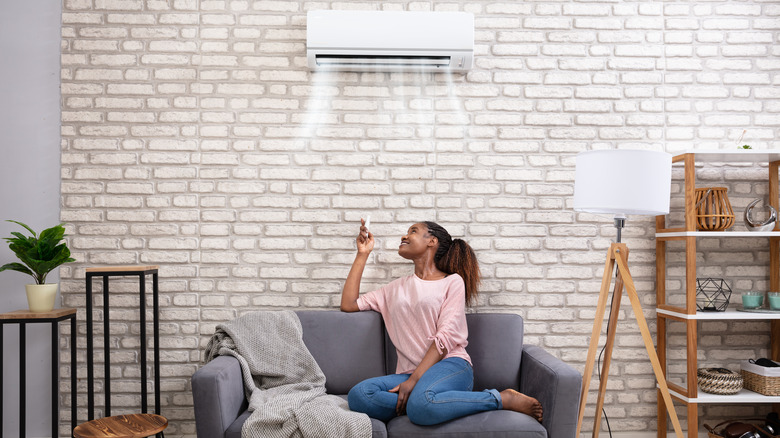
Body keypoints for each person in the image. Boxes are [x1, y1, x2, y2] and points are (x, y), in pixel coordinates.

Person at [340, 220, 543, 426]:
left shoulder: (452, 282)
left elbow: (445, 337)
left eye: (413, 231)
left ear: (432, 241)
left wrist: (413, 381)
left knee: (420, 405)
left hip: (451, 366)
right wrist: (363, 253)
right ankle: (429, 403)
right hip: (409, 374)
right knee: (360, 395)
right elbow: (348, 304)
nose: (404, 236)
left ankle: (500, 399)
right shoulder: (394, 289)